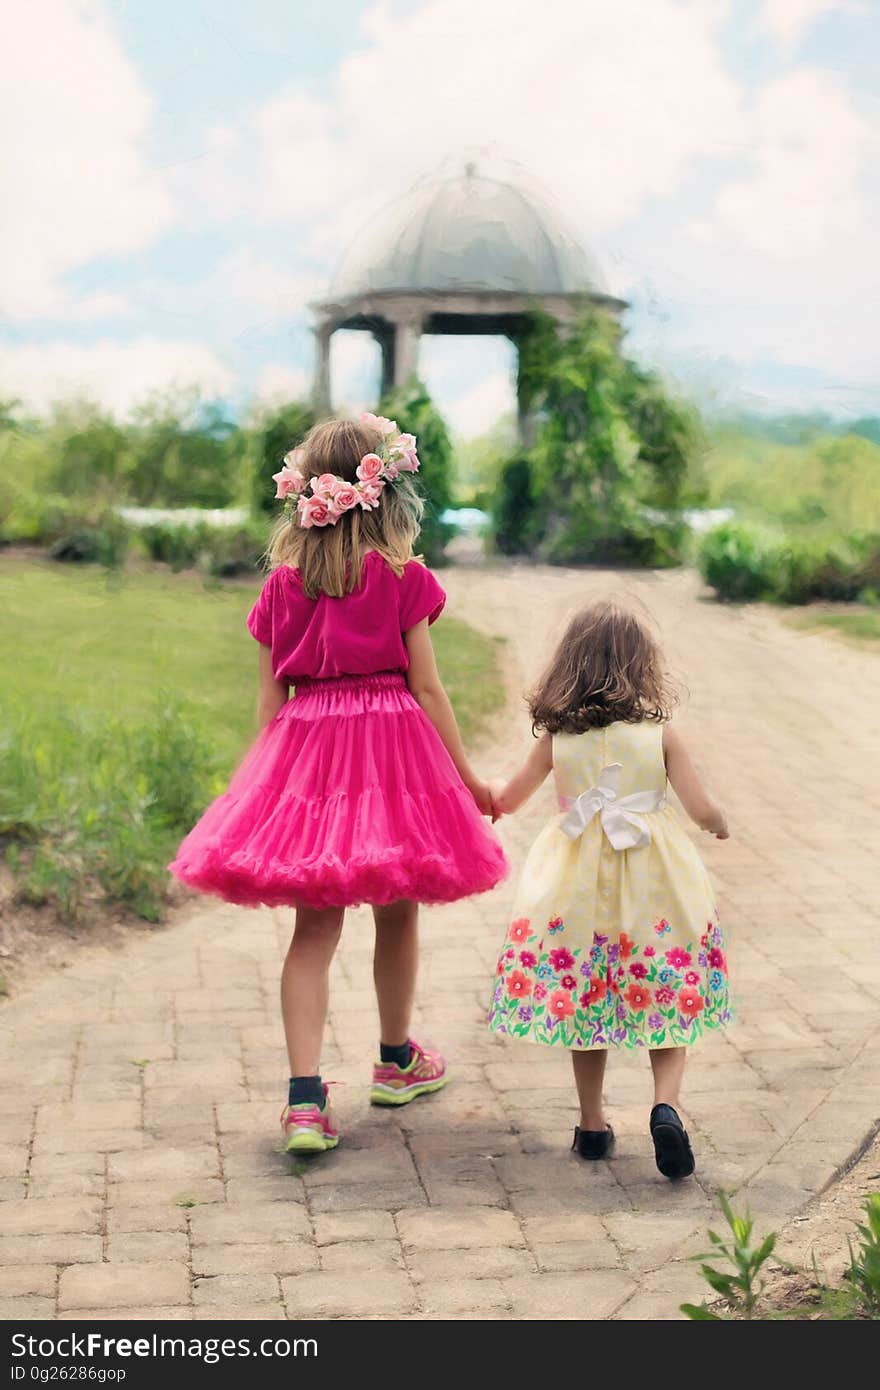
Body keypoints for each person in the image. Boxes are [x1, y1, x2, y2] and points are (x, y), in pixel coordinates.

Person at [170, 415, 507, 1153]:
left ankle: (303, 1099)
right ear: (383, 495)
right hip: (391, 754)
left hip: (310, 755)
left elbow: (269, 706)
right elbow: (427, 689)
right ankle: (395, 1060)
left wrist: (252, 797)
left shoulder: (281, 589)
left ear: (305, 497)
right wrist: (468, 777)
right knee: (397, 906)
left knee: (314, 926)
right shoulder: (401, 578)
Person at [487, 600, 730, 1179]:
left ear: (568, 667)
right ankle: (665, 1105)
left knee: (586, 998)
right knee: (667, 991)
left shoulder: (556, 739)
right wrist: (718, 822)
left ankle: (592, 1127)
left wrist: (475, 789)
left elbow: (508, 797)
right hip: (654, 885)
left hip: (577, 890)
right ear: (641, 665)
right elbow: (699, 807)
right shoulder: (659, 735)